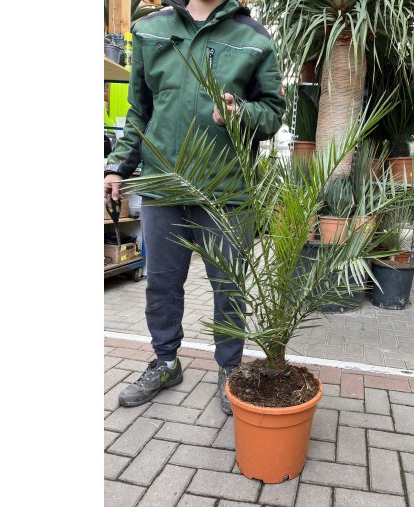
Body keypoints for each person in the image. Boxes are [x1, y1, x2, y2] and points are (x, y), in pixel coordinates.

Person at [104, 0, 285, 414]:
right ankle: (166, 362)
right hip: (163, 187)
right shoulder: (151, 30)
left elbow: (273, 112)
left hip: (227, 192)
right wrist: (117, 167)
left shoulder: (253, 37)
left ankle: (229, 369)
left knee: (229, 289)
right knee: (161, 286)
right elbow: (138, 112)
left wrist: (241, 113)